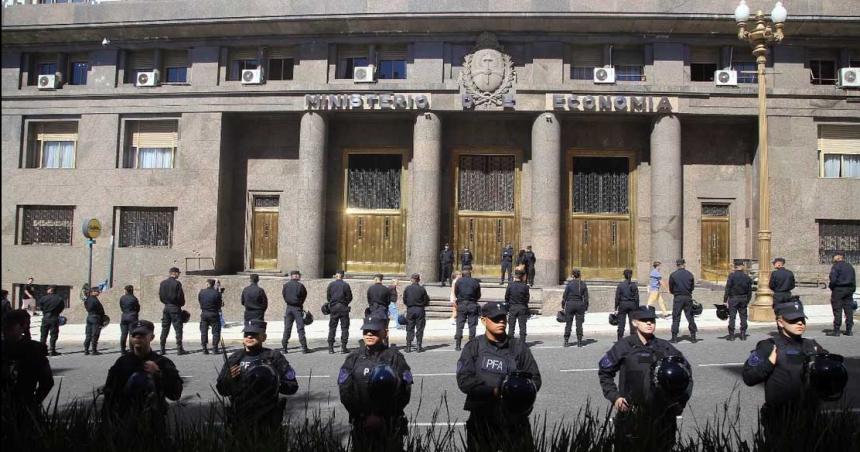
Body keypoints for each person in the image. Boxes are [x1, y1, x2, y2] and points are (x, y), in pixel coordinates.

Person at [598, 306, 692, 450]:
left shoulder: (665, 347)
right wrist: (615, 397)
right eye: (644, 320)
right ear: (635, 322)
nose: (649, 323)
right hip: (632, 414)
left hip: (663, 416)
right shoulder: (624, 346)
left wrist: (680, 402)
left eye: (652, 320)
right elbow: (605, 372)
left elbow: (686, 375)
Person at [457, 302, 541, 452]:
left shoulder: (518, 347)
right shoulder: (473, 346)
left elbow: (535, 379)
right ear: (484, 320)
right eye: (496, 318)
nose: (501, 321)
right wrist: (493, 391)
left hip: (515, 420)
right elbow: (464, 380)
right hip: (482, 418)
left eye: (503, 318)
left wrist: (519, 392)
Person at [742, 301, 830, 443]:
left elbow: (830, 380)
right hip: (779, 419)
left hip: (810, 416)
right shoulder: (769, 346)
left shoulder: (812, 346)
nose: (800, 323)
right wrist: (769, 362)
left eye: (802, 319)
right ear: (780, 322)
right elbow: (748, 377)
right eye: (794, 320)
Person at [338, 314, 413, 451]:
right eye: (366, 331)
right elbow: (345, 390)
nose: (369, 334)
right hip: (361, 423)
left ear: (385, 332)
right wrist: (362, 415)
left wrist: (382, 415)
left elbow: (404, 391)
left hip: (389, 423)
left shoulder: (395, 358)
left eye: (374, 331)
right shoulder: (353, 358)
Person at [216, 319, 299, 432]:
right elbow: (222, 390)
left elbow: (292, 386)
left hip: (268, 417)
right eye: (246, 334)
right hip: (240, 418)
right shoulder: (235, 358)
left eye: (254, 334)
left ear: (263, 337)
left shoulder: (273, 357)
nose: (249, 337)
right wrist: (228, 380)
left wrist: (272, 382)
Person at [102, 320, 183, 430]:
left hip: (154, 423)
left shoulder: (162, 362)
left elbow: (175, 394)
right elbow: (109, 395)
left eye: (142, 334)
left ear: (152, 337)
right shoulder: (122, 363)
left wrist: (158, 374)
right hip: (125, 423)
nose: (137, 338)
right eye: (134, 334)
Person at [1, 310, 54, 420]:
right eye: (4, 327)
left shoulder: (34, 349)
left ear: (22, 327)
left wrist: (33, 402)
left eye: (10, 328)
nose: (6, 331)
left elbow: (47, 381)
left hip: (24, 405)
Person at [158, 266, 187, 355]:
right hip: (175, 308)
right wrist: (180, 304)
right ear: (175, 273)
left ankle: (162, 348)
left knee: (165, 328)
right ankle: (179, 348)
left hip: (166, 307)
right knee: (178, 328)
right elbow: (180, 297)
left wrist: (166, 303)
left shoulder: (163, 283)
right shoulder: (177, 283)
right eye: (178, 273)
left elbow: (161, 296)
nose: (179, 275)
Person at [827, 251, 856, 336]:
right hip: (849, 290)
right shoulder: (850, 266)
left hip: (838, 290)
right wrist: (852, 289)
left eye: (834, 256)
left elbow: (833, 280)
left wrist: (832, 287)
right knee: (849, 310)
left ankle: (836, 330)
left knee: (837, 310)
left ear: (839, 257)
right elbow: (854, 279)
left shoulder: (836, 267)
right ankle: (849, 330)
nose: (833, 258)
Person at [669, 259, 697, 343]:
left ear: (677, 265)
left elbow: (671, 288)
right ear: (684, 264)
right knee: (690, 317)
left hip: (678, 298)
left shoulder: (673, 275)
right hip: (688, 297)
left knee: (676, 317)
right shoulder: (689, 274)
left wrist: (675, 293)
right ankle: (693, 337)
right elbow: (692, 287)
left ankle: (674, 338)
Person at [723, 261, 753, 341]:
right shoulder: (747, 277)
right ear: (742, 266)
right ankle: (743, 334)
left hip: (733, 298)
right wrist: (748, 300)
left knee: (732, 317)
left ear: (735, 267)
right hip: (743, 298)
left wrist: (725, 300)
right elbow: (750, 290)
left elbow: (728, 288)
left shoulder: (732, 276)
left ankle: (732, 335)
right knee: (743, 316)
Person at [282, 270, 310, 354]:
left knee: (287, 328)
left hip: (289, 308)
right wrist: (299, 303)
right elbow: (304, 295)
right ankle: (304, 348)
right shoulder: (300, 286)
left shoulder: (286, 285)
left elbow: (284, 295)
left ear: (291, 276)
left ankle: (284, 348)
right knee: (300, 328)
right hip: (297, 308)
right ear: (297, 276)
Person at [326, 270, 353, 354]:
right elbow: (350, 297)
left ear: (335, 276)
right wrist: (345, 303)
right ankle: (343, 347)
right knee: (344, 328)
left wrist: (333, 303)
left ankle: (331, 348)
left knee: (332, 327)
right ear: (343, 276)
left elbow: (328, 297)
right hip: (343, 308)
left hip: (333, 308)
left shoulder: (331, 285)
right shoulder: (345, 285)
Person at [454, 268, 482, 351]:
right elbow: (478, 294)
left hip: (462, 304)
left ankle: (458, 345)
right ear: (470, 274)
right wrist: (474, 299)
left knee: (459, 325)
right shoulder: (475, 282)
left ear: (462, 274)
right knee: (472, 325)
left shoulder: (458, 282)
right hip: (472, 304)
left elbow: (456, 293)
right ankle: (471, 345)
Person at [562, 269, 589, 347]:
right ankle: (579, 341)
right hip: (580, 305)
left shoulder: (569, 284)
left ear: (573, 275)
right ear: (579, 275)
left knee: (568, 323)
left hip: (570, 304)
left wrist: (563, 306)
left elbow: (565, 296)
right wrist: (586, 307)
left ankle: (566, 341)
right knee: (579, 324)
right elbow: (586, 298)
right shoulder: (583, 284)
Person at [403, 273, 429, 353]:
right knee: (420, 328)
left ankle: (408, 346)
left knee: (410, 328)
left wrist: (409, 305)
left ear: (411, 279)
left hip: (410, 309)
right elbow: (426, 300)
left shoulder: (407, 288)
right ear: (419, 280)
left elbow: (405, 299)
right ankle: (418, 346)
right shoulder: (422, 289)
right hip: (420, 309)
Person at [38, 286, 65, 356]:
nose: (47, 290)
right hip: (54, 317)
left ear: (50, 290)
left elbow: (40, 306)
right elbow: (62, 307)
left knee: (43, 335)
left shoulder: (44, 298)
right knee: (53, 335)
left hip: (45, 317)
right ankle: (52, 350)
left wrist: (45, 311)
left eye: (47, 289)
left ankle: (42, 350)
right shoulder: (59, 299)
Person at [198, 279, 223, 354]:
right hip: (214, 313)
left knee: (204, 331)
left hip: (204, 313)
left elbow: (200, 301)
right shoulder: (217, 293)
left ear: (207, 284)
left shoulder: (201, 292)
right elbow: (219, 304)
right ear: (213, 284)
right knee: (216, 331)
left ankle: (204, 348)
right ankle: (215, 348)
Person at [505, 269, 530, 343]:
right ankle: (522, 343)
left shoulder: (510, 286)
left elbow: (506, 297)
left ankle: (510, 343)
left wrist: (509, 304)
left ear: (515, 276)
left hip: (512, 307)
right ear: (522, 276)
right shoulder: (525, 286)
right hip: (522, 307)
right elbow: (527, 298)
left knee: (511, 327)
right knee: (522, 326)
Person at [614, 269, 640, 341]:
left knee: (621, 323)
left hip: (623, 304)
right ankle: (633, 340)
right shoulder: (634, 285)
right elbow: (637, 298)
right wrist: (637, 308)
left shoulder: (620, 285)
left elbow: (617, 298)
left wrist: (616, 308)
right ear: (631, 275)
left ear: (624, 276)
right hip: (632, 305)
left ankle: (620, 339)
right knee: (632, 324)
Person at [119, 285, 141, 354]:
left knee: (123, 334)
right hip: (132, 317)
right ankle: (132, 349)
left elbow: (121, 307)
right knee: (132, 334)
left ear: (126, 290)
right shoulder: (134, 298)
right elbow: (137, 308)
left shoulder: (122, 298)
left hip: (124, 316)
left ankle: (123, 349)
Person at [83, 287, 105, 355]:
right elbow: (100, 310)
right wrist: (102, 317)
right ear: (93, 292)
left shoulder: (87, 299)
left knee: (88, 334)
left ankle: (86, 350)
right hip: (96, 317)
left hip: (89, 316)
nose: (99, 292)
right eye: (97, 291)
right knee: (95, 334)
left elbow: (86, 307)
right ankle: (94, 350)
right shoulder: (95, 300)